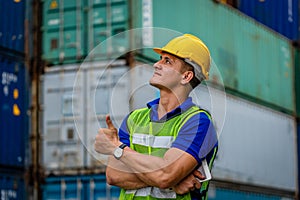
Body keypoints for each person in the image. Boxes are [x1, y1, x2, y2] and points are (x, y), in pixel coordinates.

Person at [94, 33, 218, 200]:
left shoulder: (198, 123)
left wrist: (117, 149)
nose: (156, 64)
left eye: (167, 61)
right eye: (160, 58)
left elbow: (165, 175)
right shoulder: (134, 119)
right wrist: (174, 181)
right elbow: (114, 176)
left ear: (186, 76)